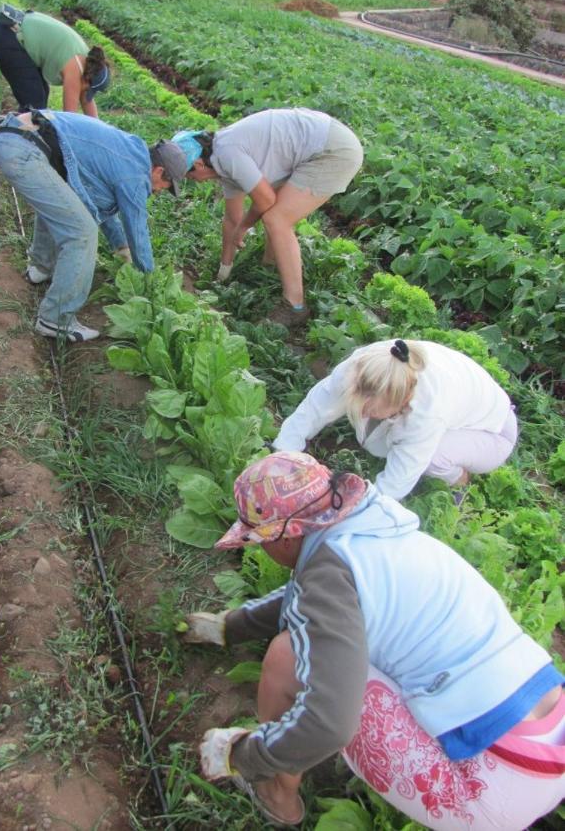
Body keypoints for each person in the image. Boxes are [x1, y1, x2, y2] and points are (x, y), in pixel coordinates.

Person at [185, 451, 565, 830]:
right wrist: (228, 627)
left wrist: (242, 755)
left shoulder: (329, 578)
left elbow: (328, 725)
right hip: (548, 748)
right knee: (318, 650)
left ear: (284, 537)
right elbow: (308, 600)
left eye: (258, 539)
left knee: (287, 657)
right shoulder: (379, 532)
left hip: (485, 791)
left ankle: (277, 795)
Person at [0, 109, 186, 342]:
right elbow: (137, 230)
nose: (160, 191)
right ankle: (55, 319)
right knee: (83, 232)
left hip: (15, 138)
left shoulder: (129, 153)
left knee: (66, 209)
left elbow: (92, 205)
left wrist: (120, 247)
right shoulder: (136, 176)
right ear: (159, 171)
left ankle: (40, 269)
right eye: (165, 185)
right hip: (23, 149)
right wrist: (149, 281)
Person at [172, 107, 363, 325]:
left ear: (197, 164)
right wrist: (224, 272)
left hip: (332, 151)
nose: (191, 181)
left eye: (187, 175)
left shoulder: (227, 154)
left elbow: (265, 201)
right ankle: (270, 272)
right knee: (274, 216)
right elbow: (232, 220)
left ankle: (295, 305)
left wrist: (244, 227)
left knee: (276, 218)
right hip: (319, 143)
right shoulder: (222, 163)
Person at [272, 338, 518, 501]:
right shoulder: (367, 365)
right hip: (448, 407)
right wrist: (282, 455)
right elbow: (317, 406)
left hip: (491, 434)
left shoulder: (427, 410)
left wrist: (349, 514)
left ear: (404, 400)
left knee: (432, 457)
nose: (363, 413)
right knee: (376, 438)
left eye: (373, 410)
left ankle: (459, 481)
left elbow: (394, 485)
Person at [0, 7, 110, 116]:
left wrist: (98, 132)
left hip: (13, 30)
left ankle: (25, 131)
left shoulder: (84, 60)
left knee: (41, 95)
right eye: (87, 90)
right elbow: (68, 117)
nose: (85, 93)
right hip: (9, 38)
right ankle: (18, 135)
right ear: (87, 79)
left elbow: (87, 102)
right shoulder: (75, 71)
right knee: (35, 102)